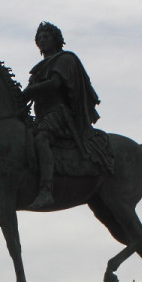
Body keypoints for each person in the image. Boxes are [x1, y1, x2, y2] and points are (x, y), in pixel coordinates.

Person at [23, 21, 102, 211]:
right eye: (39, 38)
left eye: (46, 36)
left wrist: (29, 91)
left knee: (42, 139)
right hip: (41, 116)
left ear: (56, 40)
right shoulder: (37, 69)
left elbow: (56, 84)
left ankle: (46, 190)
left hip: (59, 114)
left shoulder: (65, 59)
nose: (42, 40)